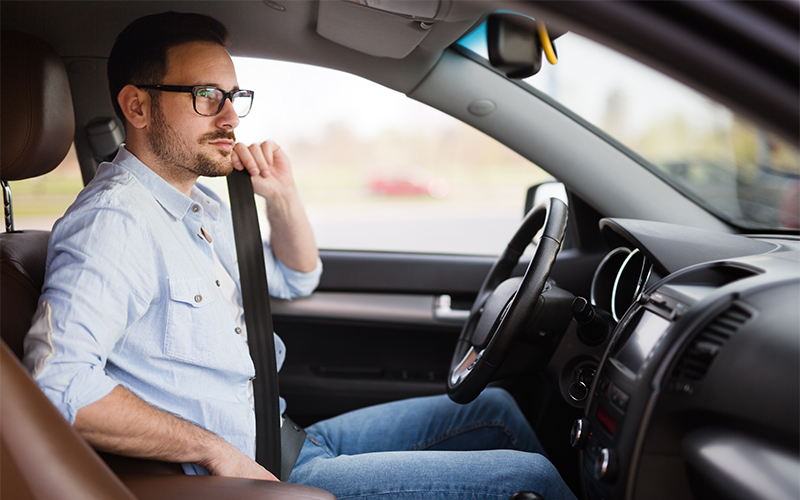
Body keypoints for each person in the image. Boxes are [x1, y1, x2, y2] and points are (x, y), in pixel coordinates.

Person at [23, 11, 577, 500]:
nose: (231, 118)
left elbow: (296, 276)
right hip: (247, 478)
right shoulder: (114, 222)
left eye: (234, 96)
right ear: (137, 106)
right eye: (206, 96)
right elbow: (59, 384)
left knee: (495, 410)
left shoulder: (194, 206)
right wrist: (212, 449)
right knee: (530, 478)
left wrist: (283, 196)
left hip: (287, 441)